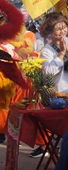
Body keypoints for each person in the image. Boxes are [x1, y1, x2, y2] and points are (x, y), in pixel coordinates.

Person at [36, 13, 68, 158]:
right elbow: (48, 73)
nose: (62, 32)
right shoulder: (47, 51)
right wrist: (61, 54)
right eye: (58, 29)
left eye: (64, 27)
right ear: (50, 31)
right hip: (60, 96)